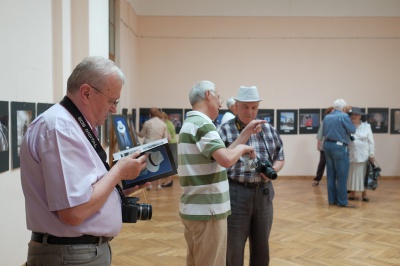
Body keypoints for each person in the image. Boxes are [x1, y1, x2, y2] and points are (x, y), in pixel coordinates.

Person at [20, 56, 148, 266]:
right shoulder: (61, 128)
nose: (114, 109)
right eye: (112, 101)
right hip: (70, 254)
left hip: (76, 252)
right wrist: (118, 172)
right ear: (86, 93)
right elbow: (73, 212)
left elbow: (84, 193)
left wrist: (120, 189)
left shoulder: (71, 126)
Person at [178, 80, 264, 266]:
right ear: (208, 94)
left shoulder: (191, 122)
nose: (220, 103)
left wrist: (245, 134)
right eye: (218, 97)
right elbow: (226, 160)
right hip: (208, 211)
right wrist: (244, 149)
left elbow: (221, 157)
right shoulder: (203, 124)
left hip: (196, 209)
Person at [218, 86, 285, 266]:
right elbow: (218, 162)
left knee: (262, 246)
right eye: (246, 107)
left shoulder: (269, 130)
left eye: (254, 107)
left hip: (264, 192)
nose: (250, 111)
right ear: (236, 107)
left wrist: (273, 171)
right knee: (234, 246)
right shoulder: (224, 131)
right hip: (236, 192)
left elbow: (280, 157)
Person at [322, 99, 356, 208]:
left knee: (331, 175)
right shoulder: (343, 116)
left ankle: (332, 200)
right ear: (343, 107)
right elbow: (352, 129)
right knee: (342, 176)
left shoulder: (327, 117)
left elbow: (323, 132)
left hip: (327, 146)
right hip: (339, 147)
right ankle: (342, 202)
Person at [347, 107, 375, 202]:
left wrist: (372, 154)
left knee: (363, 175)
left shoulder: (366, 126)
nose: (353, 116)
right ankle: (352, 192)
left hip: (363, 155)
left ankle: (364, 193)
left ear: (360, 116)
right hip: (351, 154)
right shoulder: (348, 125)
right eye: (352, 114)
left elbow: (371, 141)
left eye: (356, 114)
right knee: (352, 174)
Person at [138, 107, 168, 190]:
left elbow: (141, 135)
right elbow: (166, 138)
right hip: (158, 146)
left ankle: (149, 184)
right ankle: (158, 185)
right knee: (157, 165)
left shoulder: (147, 123)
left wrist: (134, 132)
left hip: (147, 145)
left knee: (147, 165)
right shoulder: (163, 124)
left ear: (150, 114)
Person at [312, 107, 334, 186]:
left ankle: (331, 181)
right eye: (331, 112)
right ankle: (317, 179)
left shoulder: (337, 121)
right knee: (322, 162)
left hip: (334, 145)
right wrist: (318, 143)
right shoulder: (325, 121)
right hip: (324, 145)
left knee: (332, 164)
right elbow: (320, 133)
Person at [160, 111, 177, 187]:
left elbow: (168, 138)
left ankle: (168, 181)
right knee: (171, 162)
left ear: (164, 118)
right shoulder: (170, 123)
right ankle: (169, 181)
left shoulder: (166, 125)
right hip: (173, 143)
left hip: (170, 144)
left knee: (169, 163)